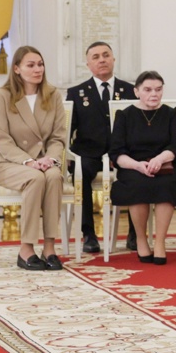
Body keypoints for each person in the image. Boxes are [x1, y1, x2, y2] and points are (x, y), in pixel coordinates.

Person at [0, 47, 68, 271]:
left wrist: (50, 159)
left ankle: (49, 247)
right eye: (31, 65)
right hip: (7, 163)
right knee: (36, 178)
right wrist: (29, 162)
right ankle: (26, 248)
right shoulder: (3, 96)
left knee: (53, 177)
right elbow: (2, 140)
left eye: (40, 64)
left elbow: (58, 137)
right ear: (17, 69)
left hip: (44, 161)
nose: (37, 69)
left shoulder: (52, 95)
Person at [108, 71, 176, 265]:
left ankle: (160, 242)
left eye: (158, 89)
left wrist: (160, 159)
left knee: (167, 185)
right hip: (133, 166)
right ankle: (141, 239)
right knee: (138, 185)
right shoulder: (125, 115)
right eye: (148, 89)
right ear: (137, 92)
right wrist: (137, 165)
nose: (154, 94)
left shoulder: (171, 113)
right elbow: (116, 151)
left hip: (165, 166)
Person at [67, 41, 136, 254]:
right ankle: (89, 234)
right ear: (88, 64)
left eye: (106, 55)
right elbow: (68, 130)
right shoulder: (77, 93)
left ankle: (135, 233)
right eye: (95, 57)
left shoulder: (130, 90)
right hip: (89, 152)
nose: (102, 60)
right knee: (82, 173)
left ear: (113, 59)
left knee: (135, 173)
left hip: (122, 152)